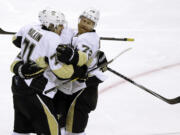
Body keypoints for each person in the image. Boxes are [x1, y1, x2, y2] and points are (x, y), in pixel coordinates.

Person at [10, 7, 82, 135]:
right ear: (51, 25)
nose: (62, 29)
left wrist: (36, 46)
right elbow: (61, 72)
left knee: (21, 130)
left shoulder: (30, 27)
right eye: (60, 25)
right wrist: (77, 70)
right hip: (36, 90)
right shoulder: (52, 39)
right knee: (52, 131)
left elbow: (16, 40)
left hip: (18, 86)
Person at [54, 7, 108, 135]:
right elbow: (59, 30)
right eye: (83, 21)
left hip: (84, 89)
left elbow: (81, 58)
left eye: (88, 23)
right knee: (58, 125)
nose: (84, 24)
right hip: (68, 86)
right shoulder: (74, 33)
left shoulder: (89, 40)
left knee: (75, 130)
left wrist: (72, 56)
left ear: (94, 25)